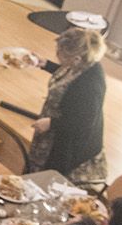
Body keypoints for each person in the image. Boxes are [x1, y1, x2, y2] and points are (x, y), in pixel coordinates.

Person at [25, 27, 108, 185]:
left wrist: (51, 123)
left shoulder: (91, 85)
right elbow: (68, 77)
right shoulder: (80, 65)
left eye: (60, 55)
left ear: (76, 58)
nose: (58, 57)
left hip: (67, 143)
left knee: (47, 181)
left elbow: (83, 123)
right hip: (54, 130)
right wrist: (45, 64)